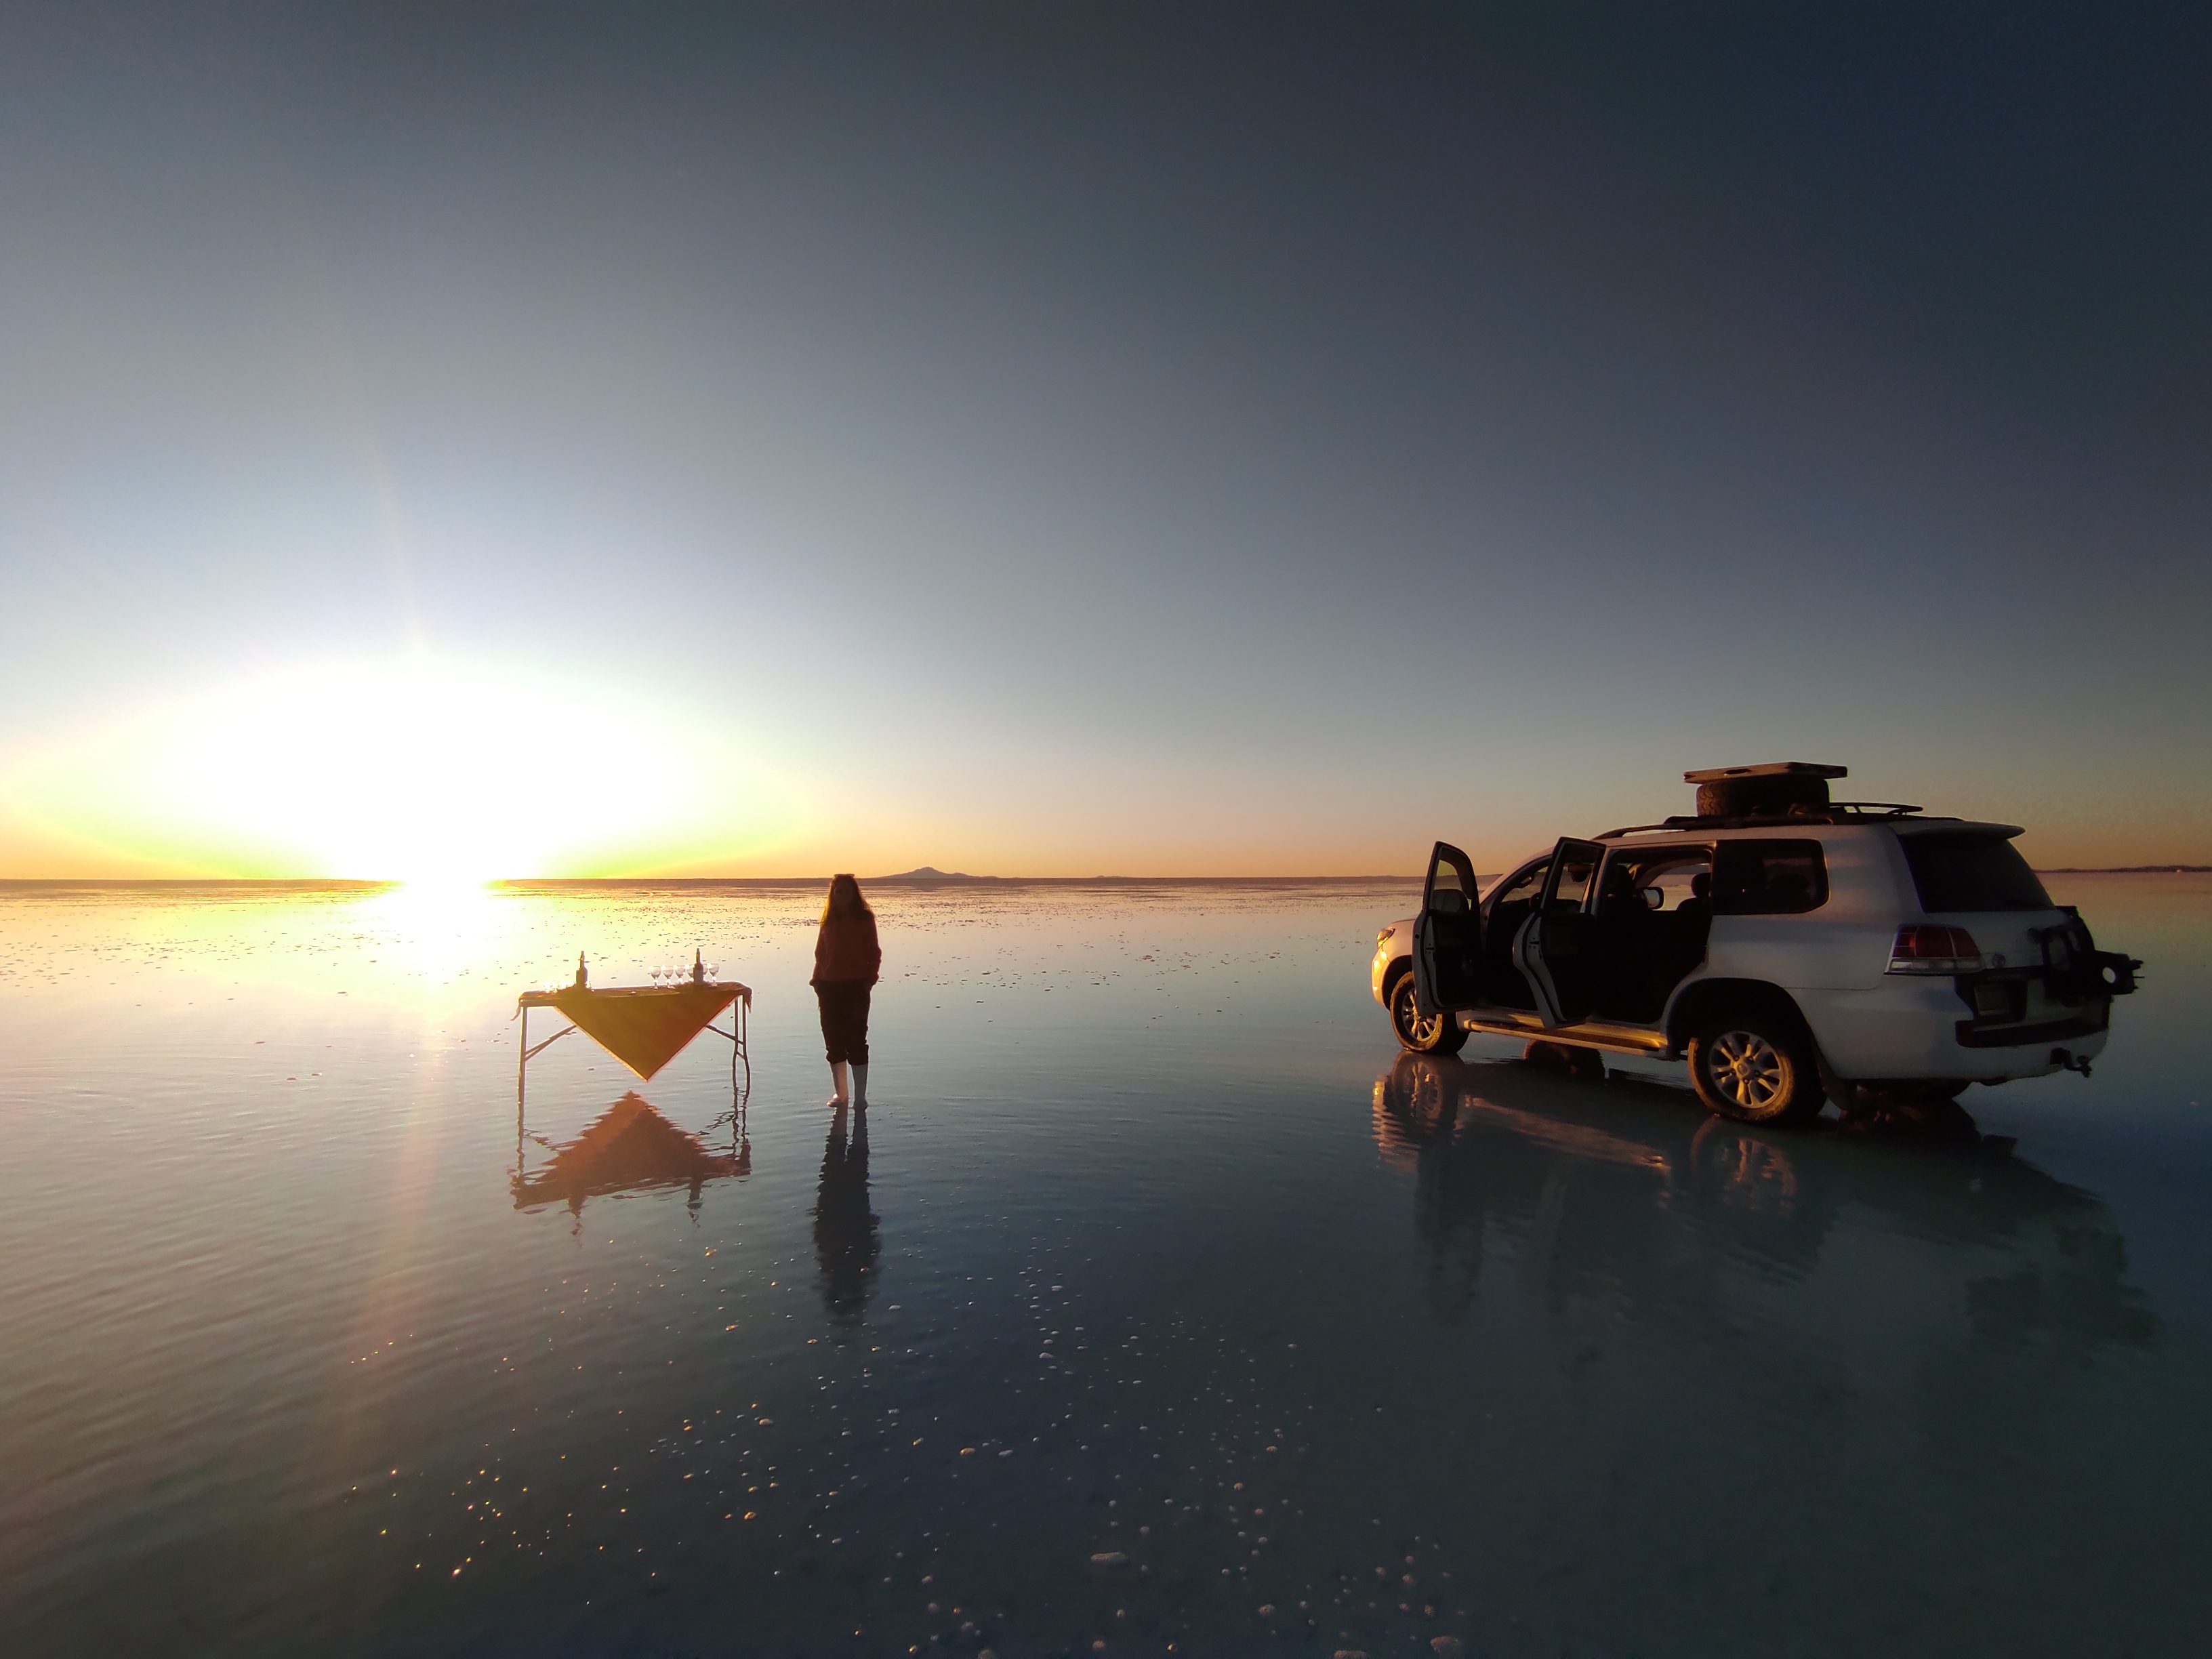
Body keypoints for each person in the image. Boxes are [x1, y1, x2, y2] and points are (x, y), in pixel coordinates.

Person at [811, 872, 880, 1107]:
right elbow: (820, 954)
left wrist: (869, 980)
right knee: (833, 1040)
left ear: (854, 893)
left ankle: (860, 1098)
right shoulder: (828, 920)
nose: (841, 896)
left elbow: (874, 953)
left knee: (857, 1040)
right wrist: (817, 981)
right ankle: (841, 1095)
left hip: (856, 987)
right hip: (828, 987)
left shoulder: (864, 919)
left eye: (846, 891)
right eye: (837, 891)